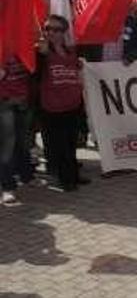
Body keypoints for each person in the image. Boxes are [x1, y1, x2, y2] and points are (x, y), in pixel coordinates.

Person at [36, 15, 88, 192]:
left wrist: (79, 64)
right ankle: (66, 179)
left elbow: (75, 69)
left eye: (56, 29)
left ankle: (73, 174)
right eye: (48, 29)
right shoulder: (41, 51)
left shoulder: (70, 51)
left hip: (71, 104)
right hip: (51, 106)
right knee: (58, 145)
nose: (51, 33)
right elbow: (34, 74)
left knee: (71, 142)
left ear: (64, 32)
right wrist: (39, 56)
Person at [0, 55, 37, 205]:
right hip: (4, 102)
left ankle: (26, 176)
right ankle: (7, 187)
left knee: (24, 141)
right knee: (7, 146)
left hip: (23, 100)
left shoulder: (24, 41)